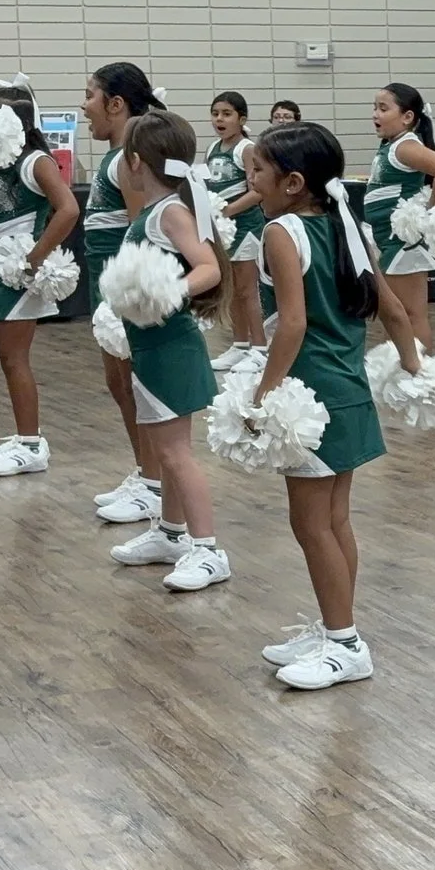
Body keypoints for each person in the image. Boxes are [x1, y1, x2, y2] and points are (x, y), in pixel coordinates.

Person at [247, 120, 428, 689]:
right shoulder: (347, 226)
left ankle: (346, 644)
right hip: (348, 390)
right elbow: (394, 311)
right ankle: (335, 629)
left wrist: (262, 393)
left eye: (257, 170)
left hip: (311, 395)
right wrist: (415, 373)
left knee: (310, 524)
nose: (249, 178)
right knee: (335, 519)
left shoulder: (281, 232)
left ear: (293, 182)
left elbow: (293, 323)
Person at [102, 110, 231, 594]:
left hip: (171, 347)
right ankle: (173, 534)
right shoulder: (158, 211)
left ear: (135, 161)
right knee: (165, 448)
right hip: (152, 347)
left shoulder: (171, 213)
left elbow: (210, 268)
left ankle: (208, 549)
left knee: (176, 454)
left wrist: (168, 292)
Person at [0, 82, 80, 477]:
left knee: (16, 359)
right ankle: (24, 435)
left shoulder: (34, 161)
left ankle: (31, 444)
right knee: (5, 357)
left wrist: (34, 258)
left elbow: (68, 209)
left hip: (17, 269)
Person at [83, 63, 169, 526]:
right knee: (119, 386)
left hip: (124, 290)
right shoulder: (115, 155)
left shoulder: (130, 157)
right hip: (106, 285)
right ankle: (146, 473)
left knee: (137, 386)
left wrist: (128, 300)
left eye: (90, 95)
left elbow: (143, 231)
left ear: (116, 104)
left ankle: (155, 485)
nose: (83, 105)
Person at [361, 83, 435, 349]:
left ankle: (418, 375)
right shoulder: (391, 146)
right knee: (394, 314)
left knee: (409, 314)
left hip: (403, 241)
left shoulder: (405, 146)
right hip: (387, 238)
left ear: (407, 117)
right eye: (374, 108)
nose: (375, 114)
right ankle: (396, 370)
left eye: (383, 108)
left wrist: (428, 212)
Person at [204, 91, 270, 370]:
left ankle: (260, 348)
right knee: (231, 290)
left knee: (247, 290)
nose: (220, 119)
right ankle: (240, 345)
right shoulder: (211, 148)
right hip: (223, 229)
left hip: (246, 226)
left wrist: (227, 211)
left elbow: (257, 191)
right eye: (216, 113)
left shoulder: (247, 148)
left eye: (227, 114)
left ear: (242, 119)